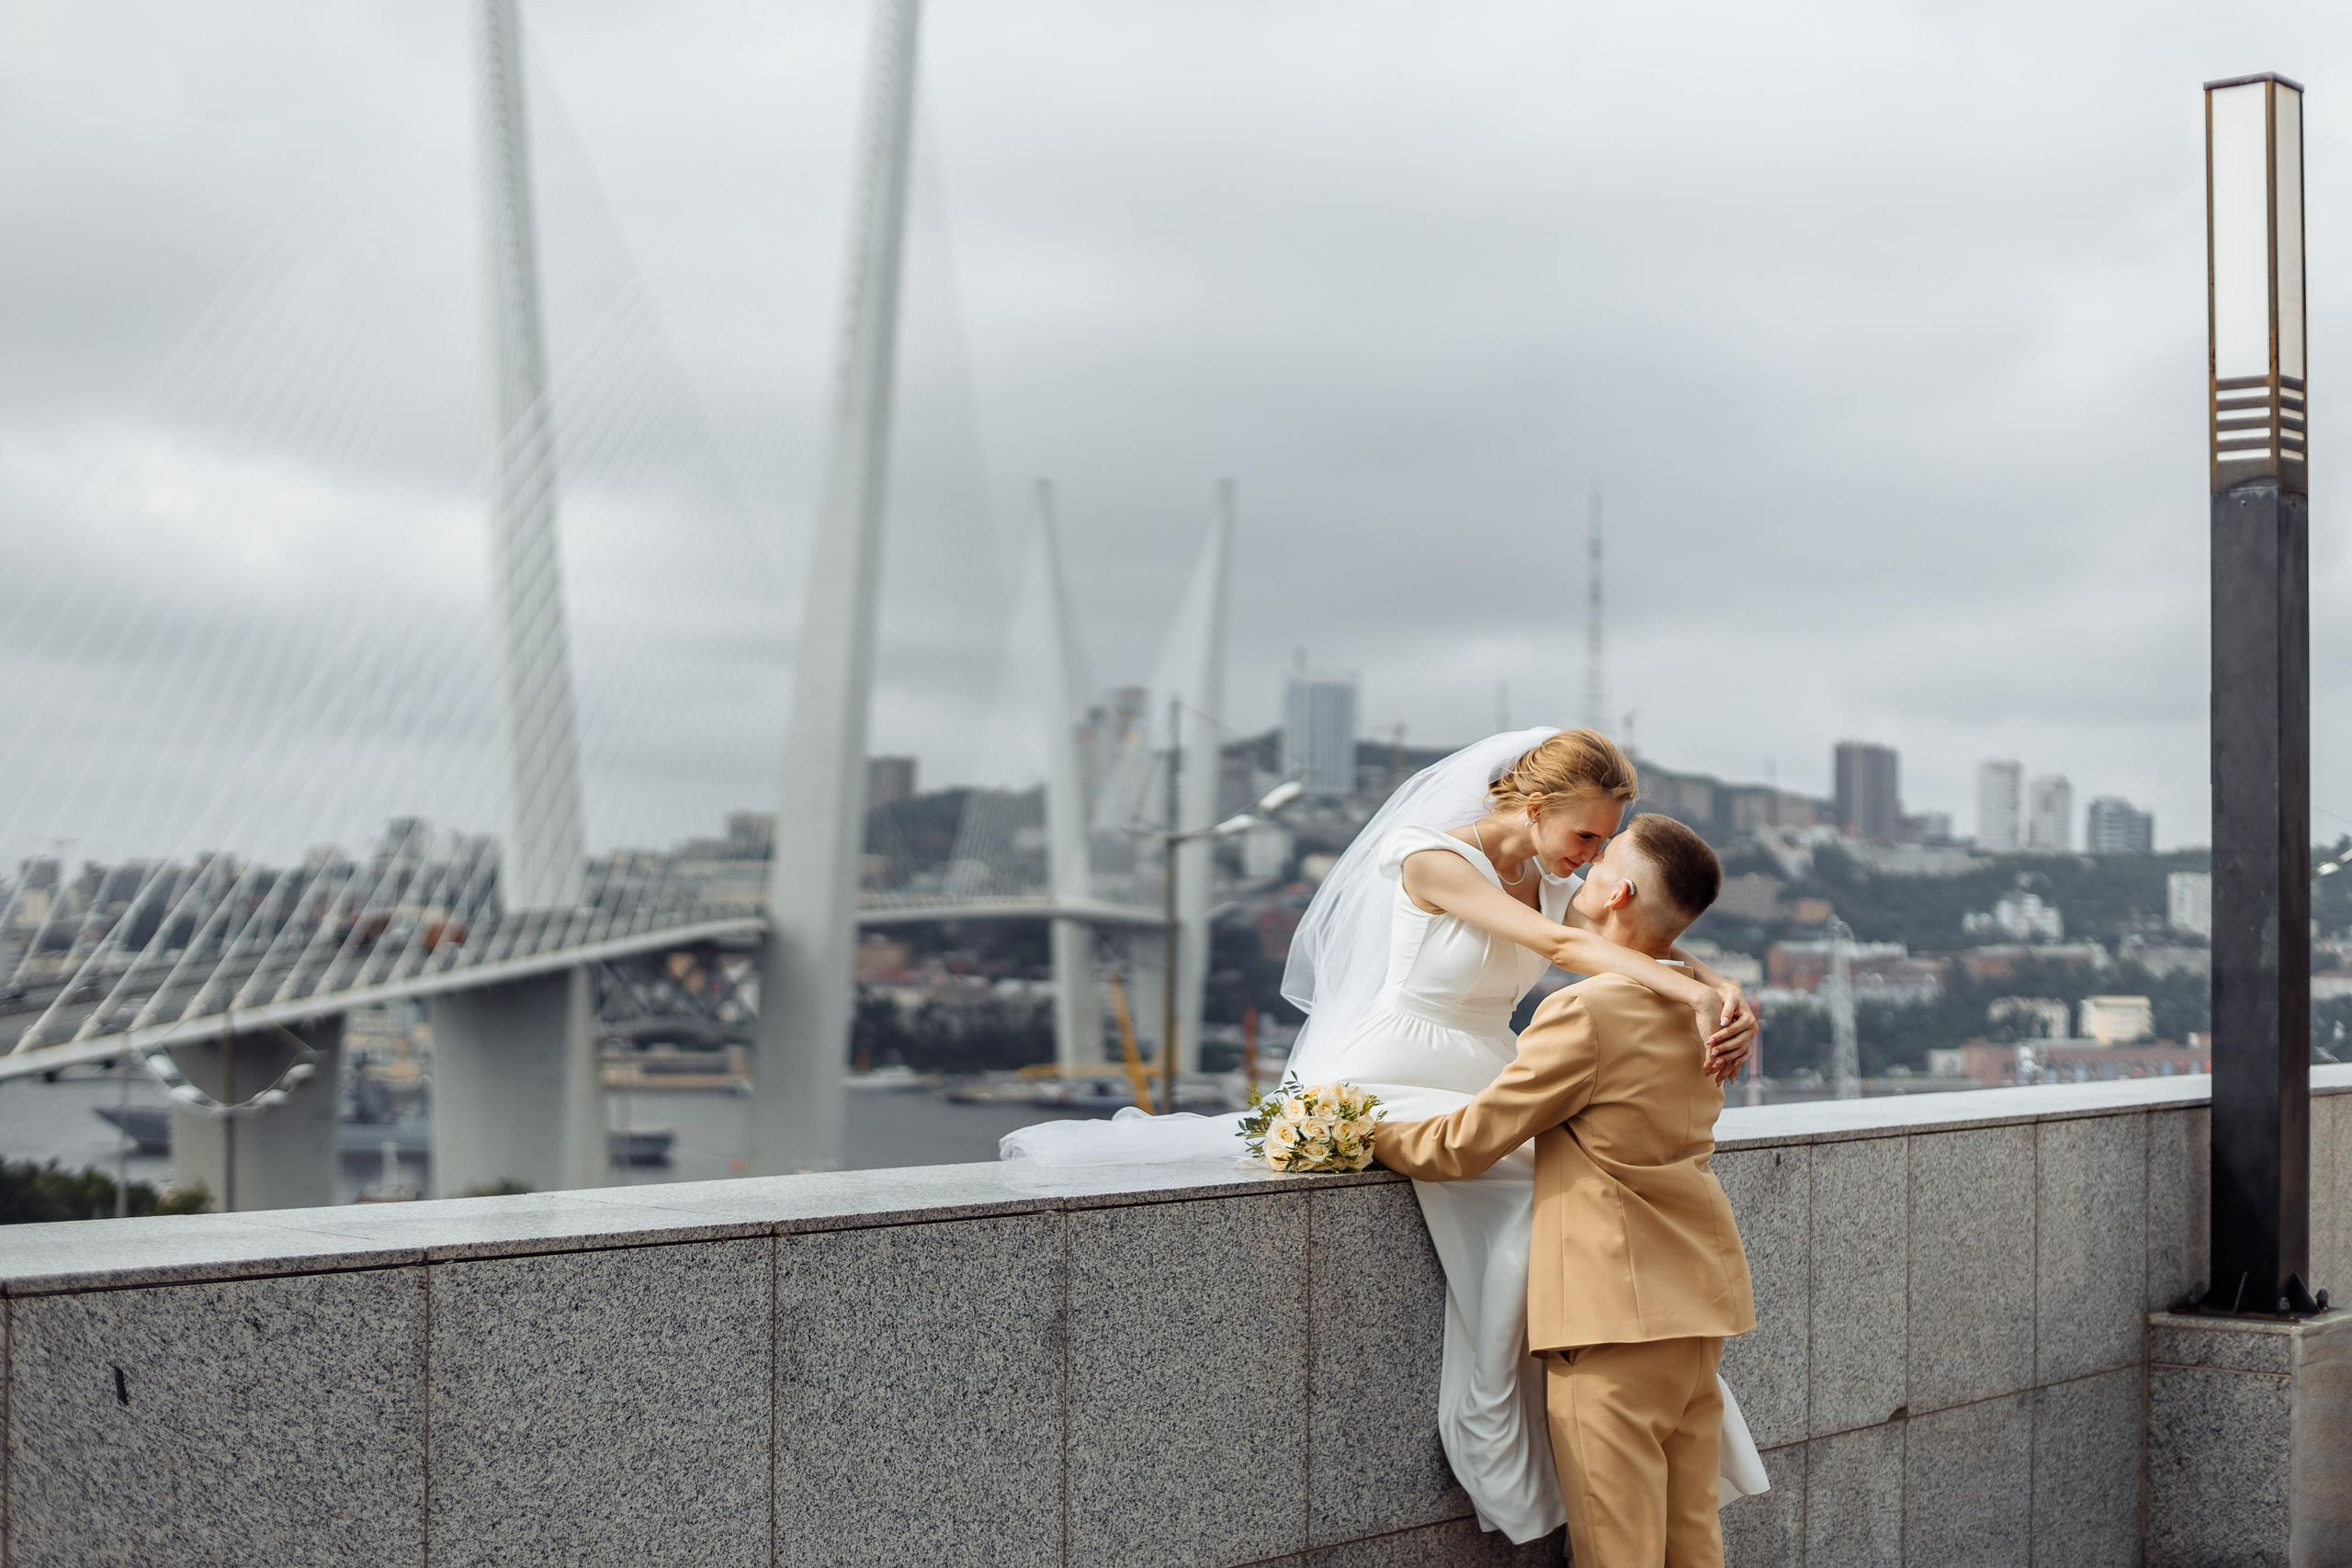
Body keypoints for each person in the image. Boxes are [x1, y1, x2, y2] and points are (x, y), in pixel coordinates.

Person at [1287, 728, 1765, 1541]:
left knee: (1540, 1208)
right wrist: (1695, 993)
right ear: (1536, 807)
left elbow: (1636, 931)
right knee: (1527, 1218)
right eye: (1586, 835)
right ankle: (1509, 1422)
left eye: (1609, 840)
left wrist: (1720, 985)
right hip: (1398, 1062)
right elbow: (1563, 944)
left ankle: (1547, 1411)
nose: (1594, 855)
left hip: (1486, 1071)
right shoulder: (1429, 858)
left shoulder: (1559, 879)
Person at [1374, 814, 1756, 1568]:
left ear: (1616, 890)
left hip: (1611, 1315)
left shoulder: (1586, 1012)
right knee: (1693, 1546)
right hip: (1696, 1309)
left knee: (1618, 1553)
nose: (1587, 865)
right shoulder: (1709, 1012)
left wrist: (1359, 1130)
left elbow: (1462, 1145)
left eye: (1604, 853)